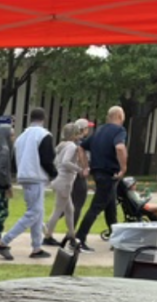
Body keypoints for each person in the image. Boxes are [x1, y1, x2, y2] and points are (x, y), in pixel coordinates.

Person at [0, 107, 56, 261]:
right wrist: (54, 174)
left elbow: (15, 160)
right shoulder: (44, 135)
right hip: (36, 176)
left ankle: (36, 247)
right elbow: (47, 159)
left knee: (37, 213)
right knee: (34, 213)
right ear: (44, 118)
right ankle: (3, 242)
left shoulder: (21, 137)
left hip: (24, 176)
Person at [74, 105, 128, 253]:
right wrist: (123, 168)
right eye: (122, 116)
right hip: (109, 173)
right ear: (118, 116)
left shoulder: (99, 130)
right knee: (96, 207)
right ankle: (79, 238)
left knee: (110, 208)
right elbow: (120, 148)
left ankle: (116, 241)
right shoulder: (119, 131)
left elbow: (81, 148)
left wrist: (86, 167)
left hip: (98, 172)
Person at [42, 122, 84, 247]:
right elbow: (65, 162)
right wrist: (79, 169)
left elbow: (56, 161)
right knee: (58, 209)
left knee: (69, 209)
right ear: (74, 134)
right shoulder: (71, 146)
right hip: (65, 181)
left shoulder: (61, 145)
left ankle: (71, 235)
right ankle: (48, 233)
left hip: (59, 180)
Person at [69, 118, 92, 220]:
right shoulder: (82, 144)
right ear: (84, 129)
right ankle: (72, 232)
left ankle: (49, 226)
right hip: (79, 175)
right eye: (87, 128)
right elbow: (83, 157)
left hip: (69, 175)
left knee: (67, 204)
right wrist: (85, 169)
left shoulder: (70, 142)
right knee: (78, 205)